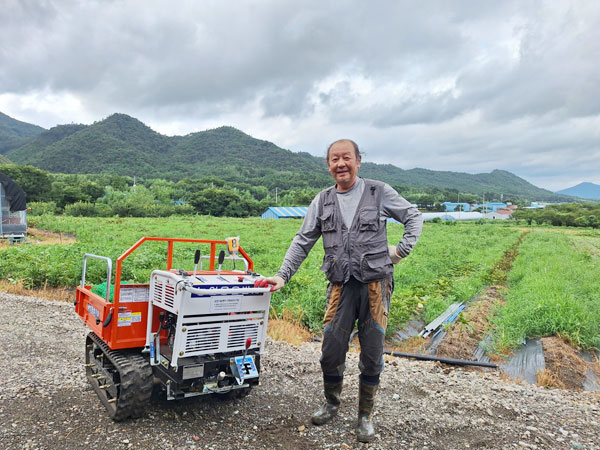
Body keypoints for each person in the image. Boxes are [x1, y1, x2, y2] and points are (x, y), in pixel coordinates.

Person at [256, 139, 423, 442]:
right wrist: (283, 275)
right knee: (330, 350)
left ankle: (365, 415)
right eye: (335, 159)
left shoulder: (378, 191)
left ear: (359, 161)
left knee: (372, 354)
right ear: (328, 165)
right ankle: (332, 402)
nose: (340, 164)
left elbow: (413, 215)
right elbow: (303, 239)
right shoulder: (322, 200)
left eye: (347, 158)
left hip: (375, 285)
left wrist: (401, 250)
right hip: (340, 285)